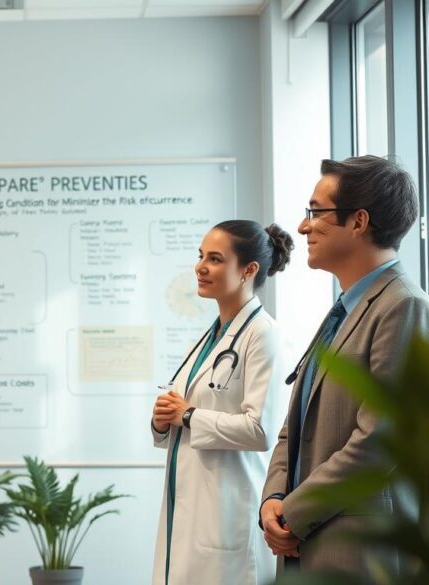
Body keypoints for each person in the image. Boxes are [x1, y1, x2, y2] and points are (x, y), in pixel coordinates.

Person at [261, 156, 429, 579]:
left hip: (356, 550)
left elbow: (379, 440)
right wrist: (273, 498)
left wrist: (294, 513)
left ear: (358, 222)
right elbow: (294, 424)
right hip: (305, 540)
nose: (302, 228)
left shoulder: (404, 305)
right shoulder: (342, 309)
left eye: (315, 213)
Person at [151, 220, 293, 585]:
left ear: (248, 270)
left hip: (228, 515)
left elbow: (262, 430)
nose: (200, 267)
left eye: (215, 259)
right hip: (190, 508)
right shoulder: (210, 338)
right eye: (200, 257)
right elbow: (185, 415)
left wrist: (188, 415)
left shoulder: (264, 336)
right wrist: (164, 419)